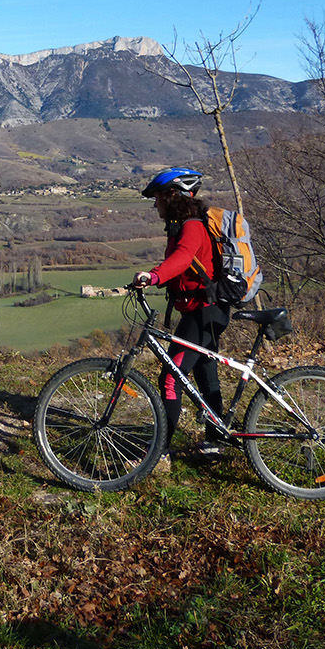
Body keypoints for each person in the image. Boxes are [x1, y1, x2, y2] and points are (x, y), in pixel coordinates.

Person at [132, 167, 230, 453]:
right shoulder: (183, 226)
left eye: (158, 198)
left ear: (172, 195)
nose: (155, 204)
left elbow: (183, 259)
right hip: (204, 311)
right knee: (205, 376)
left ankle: (159, 450)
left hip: (204, 312)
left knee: (171, 377)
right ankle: (217, 441)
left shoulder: (192, 227)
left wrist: (153, 276)